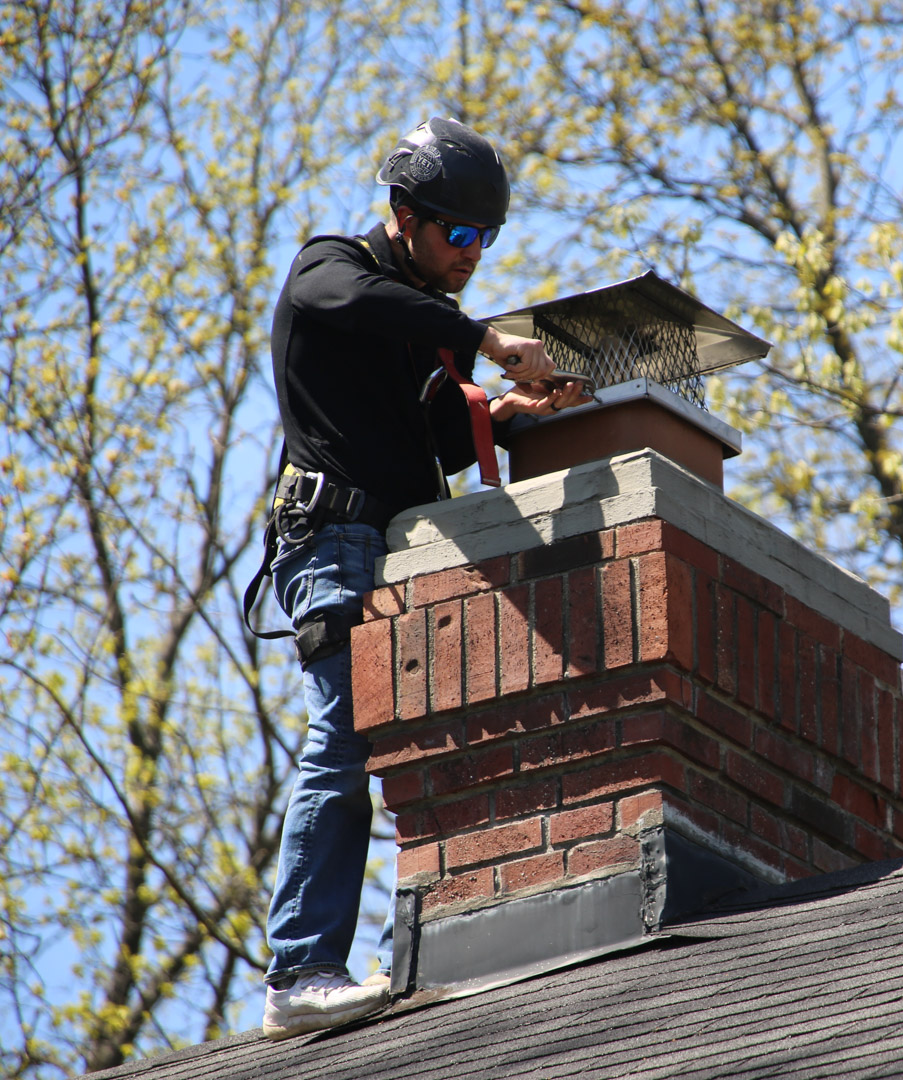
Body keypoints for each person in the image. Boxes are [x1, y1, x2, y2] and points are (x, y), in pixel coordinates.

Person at [260, 117, 590, 1041]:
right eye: (459, 233)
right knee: (344, 734)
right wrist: (484, 339)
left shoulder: (423, 332)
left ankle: (425, 944)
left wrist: (512, 408)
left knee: (415, 735)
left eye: (488, 238)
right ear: (403, 216)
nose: (473, 254)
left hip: (401, 547)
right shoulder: (331, 269)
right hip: (333, 542)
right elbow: (360, 301)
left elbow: (442, 438)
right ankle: (300, 968)